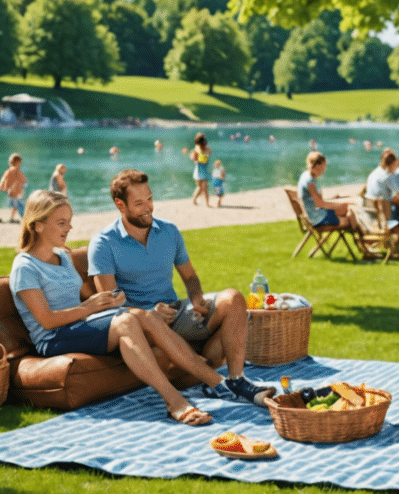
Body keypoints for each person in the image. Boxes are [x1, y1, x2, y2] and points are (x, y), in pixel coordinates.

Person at [13, 190, 244, 426]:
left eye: (69, 221)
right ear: (38, 225)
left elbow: (83, 296)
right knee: (126, 321)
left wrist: (108, 301)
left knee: (142, 314)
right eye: (61, 223)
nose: (69, 228)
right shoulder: (25, 267)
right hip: (53, 338)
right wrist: (90, 308)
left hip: (80, 326)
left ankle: (220, 383)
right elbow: (47, 321)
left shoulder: (62, 257)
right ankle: (175, 402)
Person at [87, 169, 271, 411]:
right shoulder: (103, 243)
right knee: (145, 319)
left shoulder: (169, 231)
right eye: (139, 203)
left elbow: (190, 276)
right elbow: (111, 305)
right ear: (120, 205)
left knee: (233, 298)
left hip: (176, 313)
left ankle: (237, 380)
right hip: (140, 324)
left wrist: (196, 299)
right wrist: (149, 313)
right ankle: (217, 383)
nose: (148, 208)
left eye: (150, 199)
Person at [296, 151, 359, 231]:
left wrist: (340, 204)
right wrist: (340, 205)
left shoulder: (306, 175)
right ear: (318, 165)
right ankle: (362, 241)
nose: (325, 168)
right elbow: (319, 204)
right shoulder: (310, 182)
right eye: (324, 165)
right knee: (352, 219)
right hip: (317, 218)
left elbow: (317, 200)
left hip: (313, 214)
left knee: (347, 209)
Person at [0, 153, 28, 222]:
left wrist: (2, 187)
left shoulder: (8, 170)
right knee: (20, 205)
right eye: (20, 162)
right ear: (18, 162)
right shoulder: (16, 170)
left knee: (15, 206)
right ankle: (25, 219)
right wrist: (24, 183)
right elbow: (24, 179)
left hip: (11, 191)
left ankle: (12, 218)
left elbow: (4, 179)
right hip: (16, 192)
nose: (20, 164)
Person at [189, 133, 211, 207]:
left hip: (202, 170)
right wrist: (200, 159)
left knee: (203, 187)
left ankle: (204, 202)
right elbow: (193, 158)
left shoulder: (203, 149)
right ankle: (197, 200)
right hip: (200, 170)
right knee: (201, 187)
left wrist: (200, 158)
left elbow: (209, 152)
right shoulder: (197, 149)